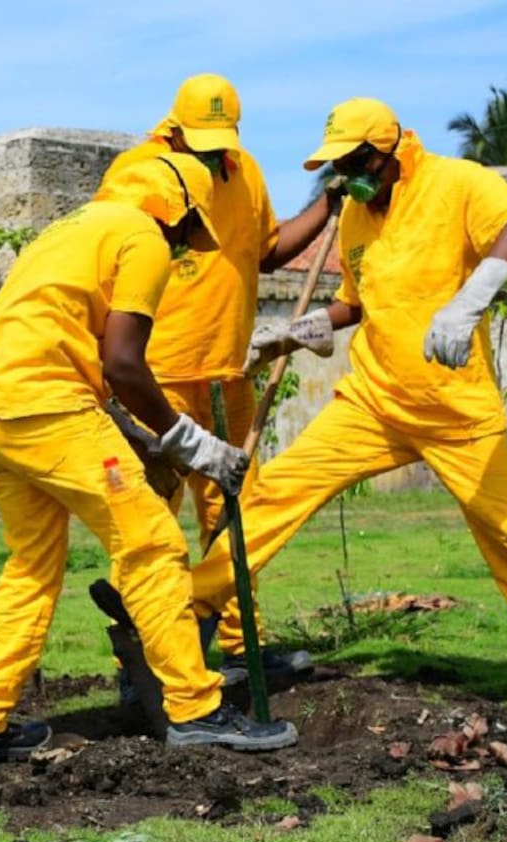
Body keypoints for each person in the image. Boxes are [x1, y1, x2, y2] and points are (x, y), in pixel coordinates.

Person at [190, 97, 507, 721]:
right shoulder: (357, 218)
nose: (345, 178)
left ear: (388, 148)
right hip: (373, 399)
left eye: (355, 161)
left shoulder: (456, 182)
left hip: (455, 409)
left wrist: (470, 299)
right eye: (336, 166)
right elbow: (356, 301)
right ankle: (191, 603)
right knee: (274, 493)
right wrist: (300, 329)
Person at [0, 152, 299, 775]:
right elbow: (125, 365)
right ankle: (195, 710)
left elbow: (80, 362)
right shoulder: (142, 237)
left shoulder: (70, 229)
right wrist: (194, 443)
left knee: (32, 567)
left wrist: (146, 441)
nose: (180, 248)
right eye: (184, 234)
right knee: (153, 542)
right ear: (177, 211)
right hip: (51, 408)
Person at [96, 73, 341, 683]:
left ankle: (240, 648)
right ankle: (146, 663)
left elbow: (266, 250)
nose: (211, 151)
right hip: (157, 380)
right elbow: (111, 254)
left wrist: (326, 208)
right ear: (173, 127)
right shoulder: (139, 172)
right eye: (200, 140)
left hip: (228, 374)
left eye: (220, 139)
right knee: (149, 526)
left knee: (236, 516)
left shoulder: (242, 169)